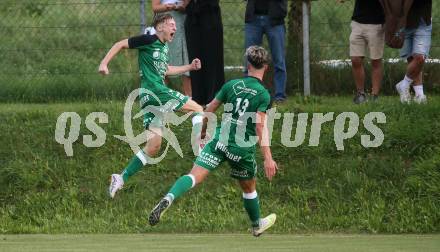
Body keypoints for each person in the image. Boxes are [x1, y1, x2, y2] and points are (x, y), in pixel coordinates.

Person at [148, 46, 278, 237]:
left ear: (247, 65)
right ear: (265, 67)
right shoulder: (263, 94)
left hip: (219, 140)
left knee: (194, 176)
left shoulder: (231, 85)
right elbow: (260, 127)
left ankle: (169, 197)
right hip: (240, 148)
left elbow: (209, 109)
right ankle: (256, 224)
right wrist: (268, 158)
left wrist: (202, 132)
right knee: (249, 187)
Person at [98, 14, 205, 198]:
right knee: (197, 108)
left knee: (153, 146)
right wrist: (104, 63)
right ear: (160, 26)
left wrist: (189, 67)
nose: (175, 28)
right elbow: (121, 44)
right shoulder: (149, 39)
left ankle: (121, 177)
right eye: (171, 24)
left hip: (149, 98)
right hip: (156, 92)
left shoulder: (163, 47)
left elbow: (166, 70)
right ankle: (199, 147)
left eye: (175, 25)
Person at [245, 0, 287, 102]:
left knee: (279, 60)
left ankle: (280, 96)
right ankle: (249, 95)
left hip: (275, 19)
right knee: (249, 60)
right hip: (253, 19)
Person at [185, 0, 225, 105]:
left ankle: (213, 97)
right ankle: (198, 97)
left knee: (212, 57)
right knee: (195, 57)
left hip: (210, 15)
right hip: (193, 16)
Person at [152, 0, 192, 97]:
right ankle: (164, 95)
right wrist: (169, 7)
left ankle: (189, 96)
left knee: (184, 56)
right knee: (163, 57)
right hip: (164, 21)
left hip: (182, 21)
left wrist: (183, 6)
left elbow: (186, 4)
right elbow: (155, 7)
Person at [395, 0, 432, 104]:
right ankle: (419, 95)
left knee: (420, 57)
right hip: (403, 23)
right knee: (411, 59)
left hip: (423, 21)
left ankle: (403, 85)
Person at [349, 0, 385, 104]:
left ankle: (375, 95)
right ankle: (360, 94)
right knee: (355, 59)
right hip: (357, 23)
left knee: (375, 61)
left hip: (377, 24)